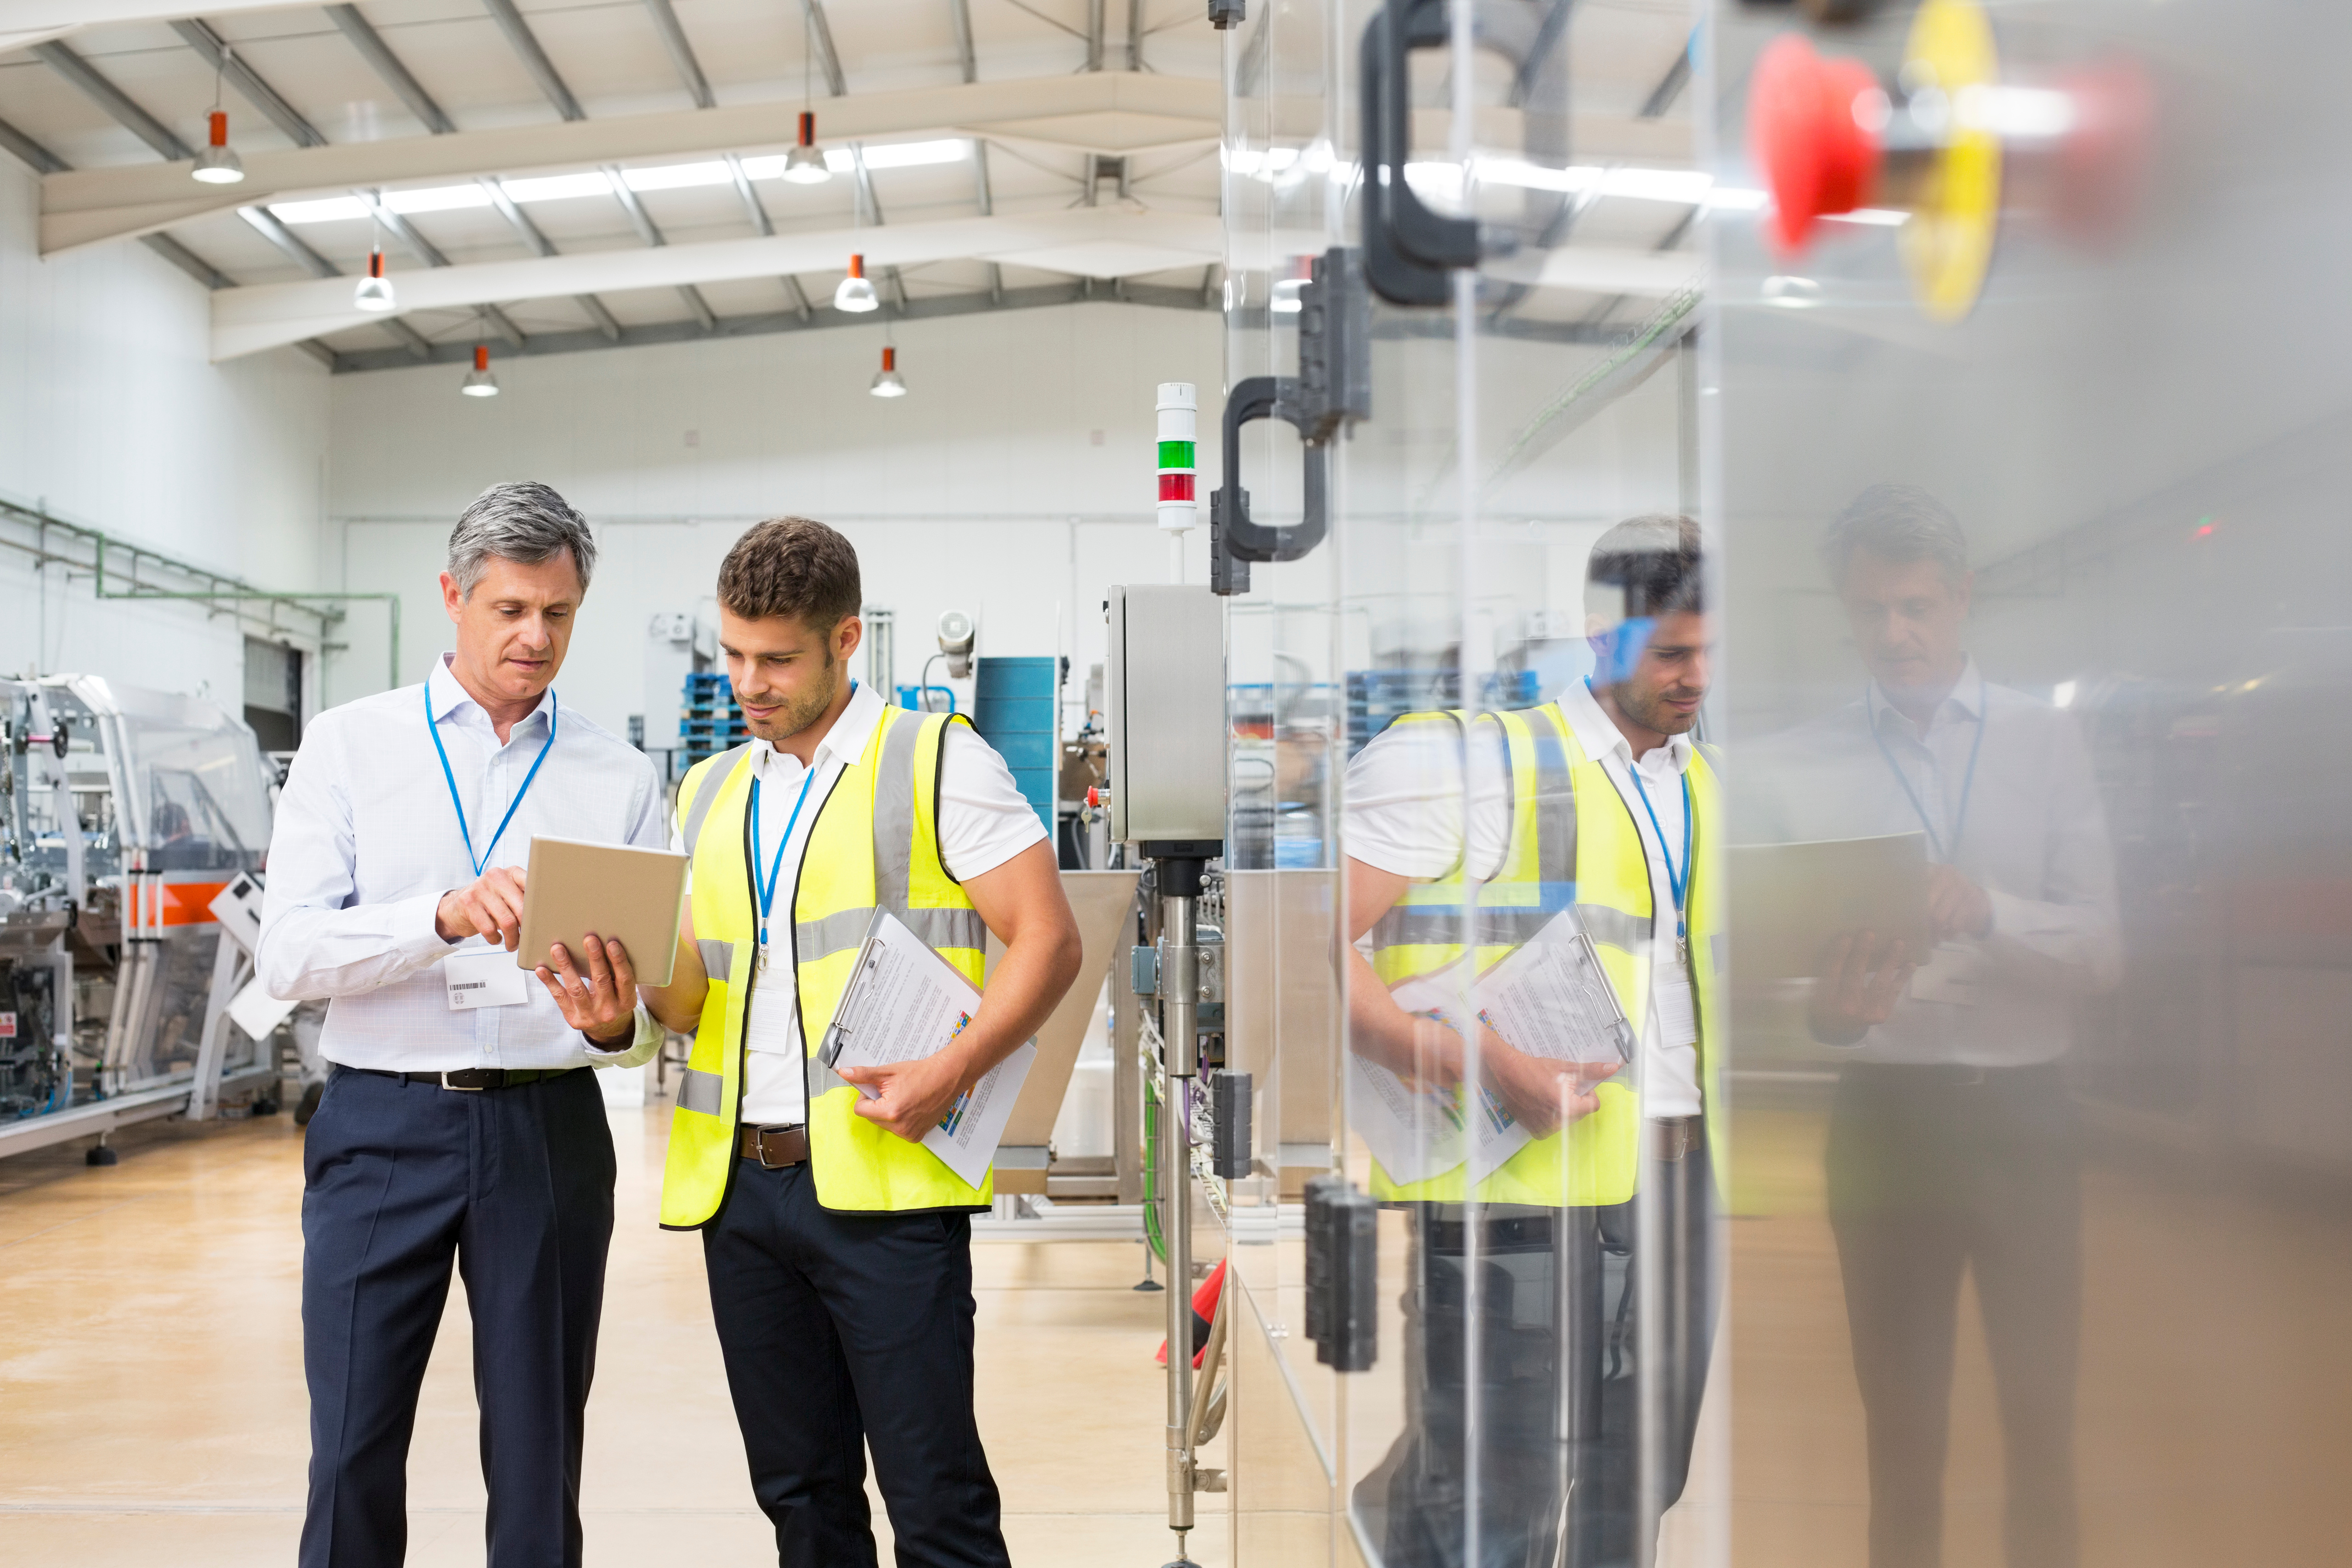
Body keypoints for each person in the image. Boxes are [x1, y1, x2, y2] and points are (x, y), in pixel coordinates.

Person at [630, 517, 1082, 1568]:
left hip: (885, 1188)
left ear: (844, 643)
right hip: (740, 1193)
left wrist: (952, 1069)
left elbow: (1048, 942)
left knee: (935, 1505)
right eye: (734, 654)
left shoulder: (933, 761)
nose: (748, 681)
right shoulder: (708, 790)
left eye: (775, 658)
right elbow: (695, 1005)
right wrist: (620, 970)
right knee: (800, 1498)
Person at [256, 481, 665, 1568]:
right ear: (453, 596)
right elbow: (289, 954)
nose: (536, 638)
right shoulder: (348, 748)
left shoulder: (619, 779)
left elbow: (650, 1001)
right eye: (511, 609)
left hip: (547, 1132)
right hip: (381, 1125)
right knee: (350, 1443)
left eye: (560, 614)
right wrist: (436, 916)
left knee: (540, 1454)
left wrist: (619, 1022)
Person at [1346, 515, 1723, 1568]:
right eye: (1670, 654)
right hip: (1512, 1193)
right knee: (1491, 1499)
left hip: (1681, 1182)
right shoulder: (1472, 767)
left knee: (1636, 1488)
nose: (1695, 678)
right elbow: (1304, 953)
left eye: (1711, 651)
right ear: (1599, 638)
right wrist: (1470, 1061)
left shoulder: (1713, 786)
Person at [1758, 483, 2120, 1568]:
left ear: (1959, 600)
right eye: (1869, 611)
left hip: (2022, 1120)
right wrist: (1824, 1012)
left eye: (1914, 607)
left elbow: (2105, 949)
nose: (1894, 634)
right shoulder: (1807, 757)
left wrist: (1991, 910)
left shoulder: (2043, 741)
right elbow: (1779, 978)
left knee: (2039, 1423)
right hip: (1882, 1123)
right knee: (1900, 1433)